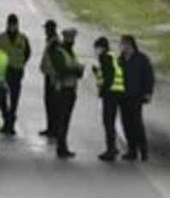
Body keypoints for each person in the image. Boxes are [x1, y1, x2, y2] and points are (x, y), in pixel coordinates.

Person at [49, 27, 85, 158]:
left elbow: (77, 73)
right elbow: (61, 70)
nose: (72, 40)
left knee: (65, 120)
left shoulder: (70, 52)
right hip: (62, 90)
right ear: (65, 38)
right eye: (70, 38)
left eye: (73, 38)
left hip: (71, 89)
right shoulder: (59, 52)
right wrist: (76, 68)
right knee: (62, 119)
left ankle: (63, 146)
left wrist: (78, 70)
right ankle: (61, 147)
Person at [118, 34, 154, 161]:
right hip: (123, 96)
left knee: (137, 123)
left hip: (136, 96)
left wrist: (148, 92)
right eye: (121, 44)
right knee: (126, 123)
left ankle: (143, 149)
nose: (121, 47)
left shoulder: (141, 59)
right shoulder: (120, 60)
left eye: (123, 44)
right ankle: (131, 149)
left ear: (130, 45)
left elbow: (149, 76)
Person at [91, 36, 125, 162]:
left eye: (96, 48)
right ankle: (112, 147)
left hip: (110, 94)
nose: (95, 51)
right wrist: (97, 72)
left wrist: (103, 91)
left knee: (108, 122)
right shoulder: (111, 56)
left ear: (101, 48)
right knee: (110, 121)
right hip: (116, 92)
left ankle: (111, 150)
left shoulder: (105, 57)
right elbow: (107, 74)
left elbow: (109, 77)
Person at [0, 14, 32, 136]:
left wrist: (21, 63)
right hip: (4, 71)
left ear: (17, 25)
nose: (12, 27)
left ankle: (11, 123)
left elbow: (27, 53)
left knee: (14, 99)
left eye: (14, 24)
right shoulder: (1, 38)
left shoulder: (23, 38)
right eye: (10, 24)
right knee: (2, 97)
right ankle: (6, 119)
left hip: (17, 71)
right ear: (7, 25)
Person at [38, 20, 60, 139]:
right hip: (49, 75)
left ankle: (54, 128)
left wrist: (53, 75)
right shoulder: (51, 41)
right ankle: (51, 127)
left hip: (52, 77)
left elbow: (55, 61)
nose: (45, 31)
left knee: (52, 103)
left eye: (46, 29)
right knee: (49, 103)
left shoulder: (54, 42)